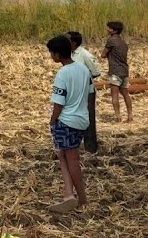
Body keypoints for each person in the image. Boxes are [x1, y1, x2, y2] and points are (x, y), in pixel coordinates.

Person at [46, 34, 90, 213]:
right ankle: (68, 194)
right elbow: (89, 94)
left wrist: (52, 120)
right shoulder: (83, 69)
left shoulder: (62, 73)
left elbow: (59, 103)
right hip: (81, 120)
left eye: (51, 53)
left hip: (66, 121)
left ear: (57, 55)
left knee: (70, 159)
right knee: (63, 155)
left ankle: (82, 199)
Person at [67, 31, 101, 152]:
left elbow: (96, 72)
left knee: (88, 118)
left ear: (74, 42)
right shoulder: (68, 54)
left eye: (68, 39)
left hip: (86, 91)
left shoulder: (84, 55)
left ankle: (91, 147)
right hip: (73, 92)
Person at [102, 21, 133, 122]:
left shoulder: (111, 40)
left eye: (110, 28)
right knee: (125, 94)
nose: (108, 30)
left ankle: (118, 116)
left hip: (115, 71)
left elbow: (103, 55)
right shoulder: (123, 43)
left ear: (114, 31)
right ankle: (130, 115)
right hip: (124, 71)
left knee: (114, 95)